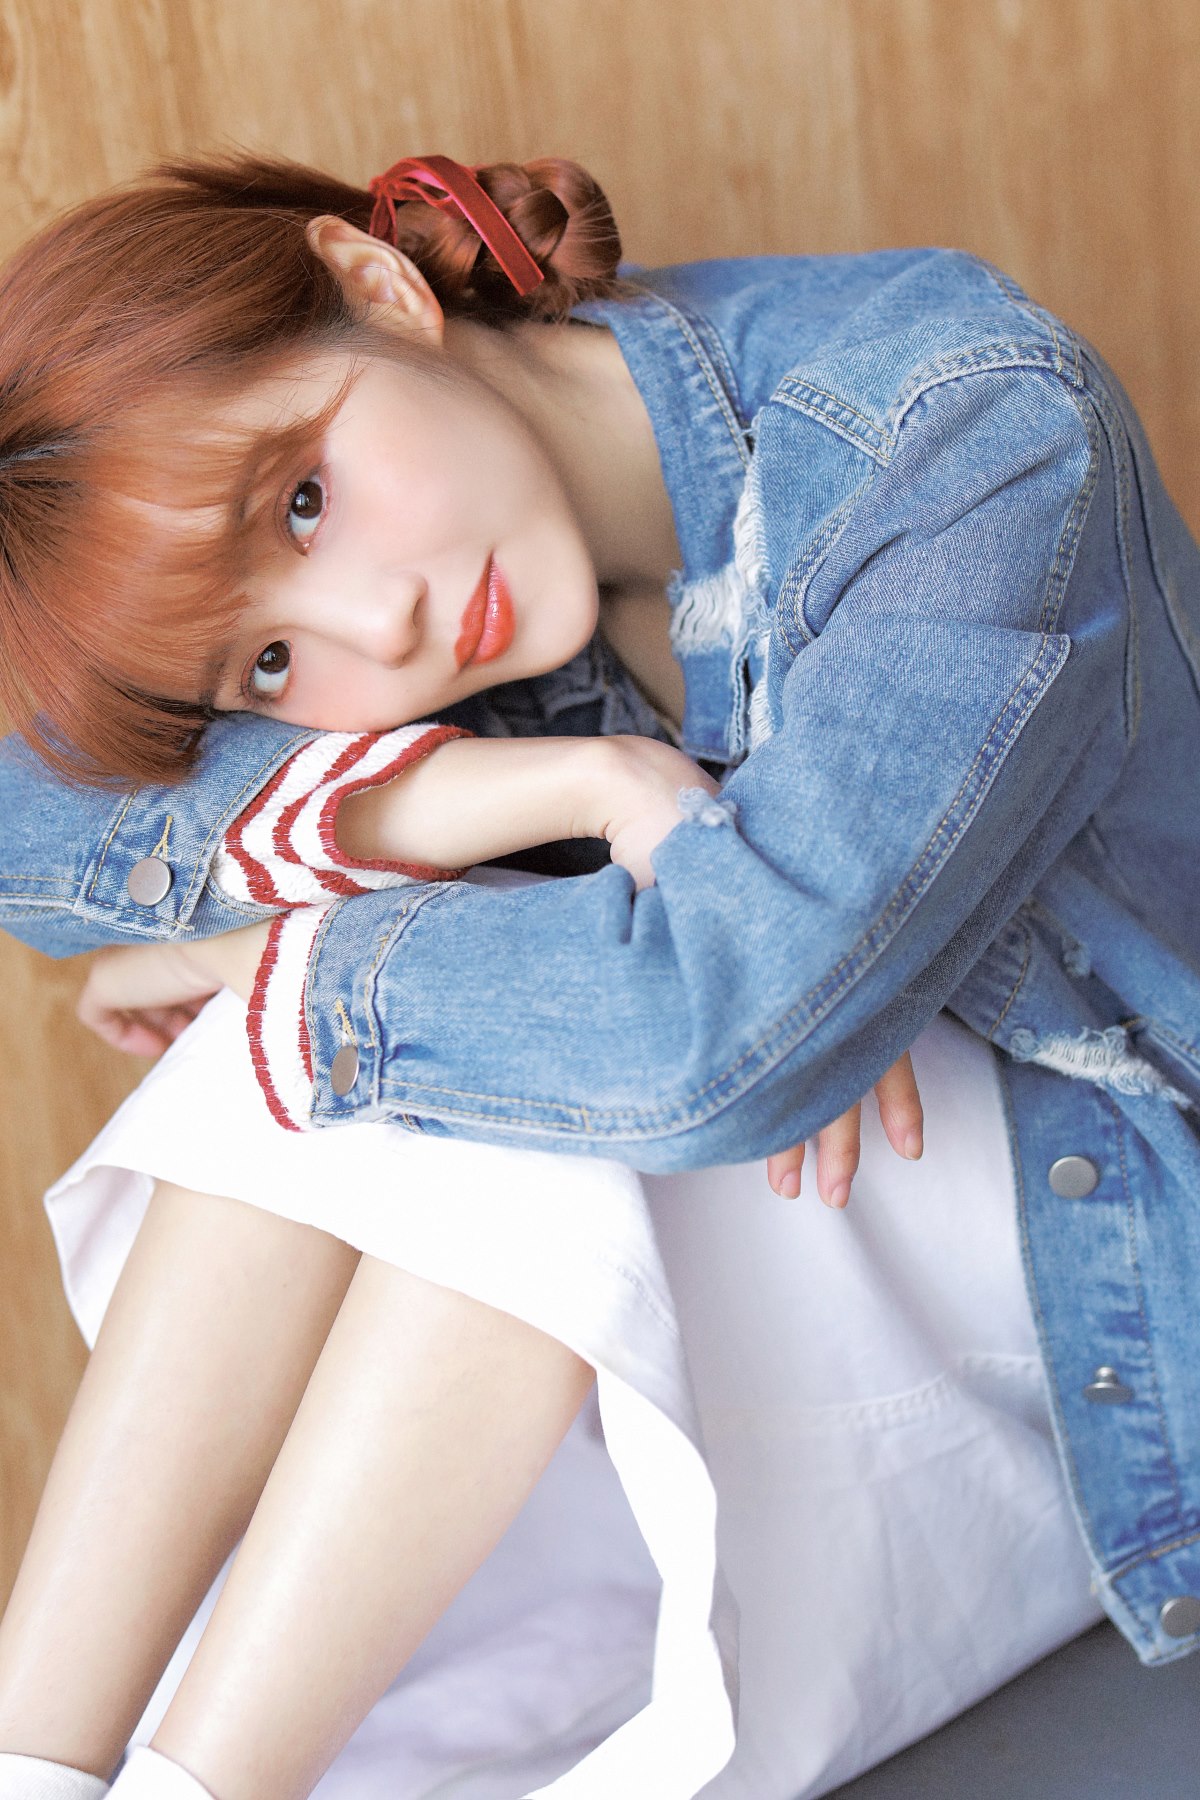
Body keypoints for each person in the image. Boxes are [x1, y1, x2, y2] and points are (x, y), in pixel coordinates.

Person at [0, 149, 1196, 1800]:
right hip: (798, 1278)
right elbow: (28, 823)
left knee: (419, 1042)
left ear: (375, 287)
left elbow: (721, 1031)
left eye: (302, 501)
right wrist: (517, 789)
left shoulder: (961, 420)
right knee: (435, 1018)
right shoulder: (449, 611)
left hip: (1111, 1269)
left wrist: (250, 947)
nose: (382, 630)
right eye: (269, 661)